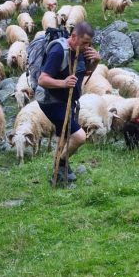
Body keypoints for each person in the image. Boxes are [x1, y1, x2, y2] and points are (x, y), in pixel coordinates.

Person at [38, 21, 100, 184]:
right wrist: (63, 83)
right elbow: (42, 79)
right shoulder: (59, 51)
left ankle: (58, 174)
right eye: (85, 42)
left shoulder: (81, 51)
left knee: (64, 138)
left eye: (89, 43)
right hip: (51, 101)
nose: (87, 46)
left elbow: (84, 73)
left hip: (68, 101)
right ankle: (61, 164)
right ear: (73, 36)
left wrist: (96, 61)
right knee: (79, 136)